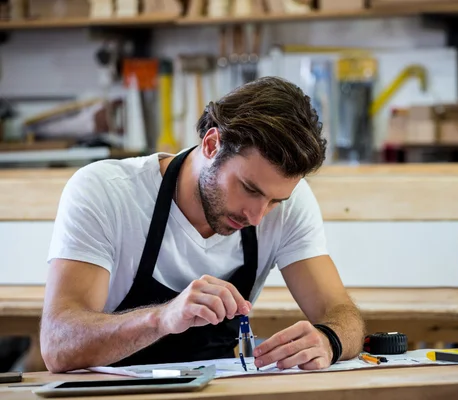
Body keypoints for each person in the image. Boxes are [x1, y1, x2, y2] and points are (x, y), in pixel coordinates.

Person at [40, 76, 366, 373]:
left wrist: (328, 340)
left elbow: (341, 314)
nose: (257, 216)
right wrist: (163, 318)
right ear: (212, 145)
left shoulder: (289, 200)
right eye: (249, 189)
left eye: (274, 201)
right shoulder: (106, 191)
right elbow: (58, 345)